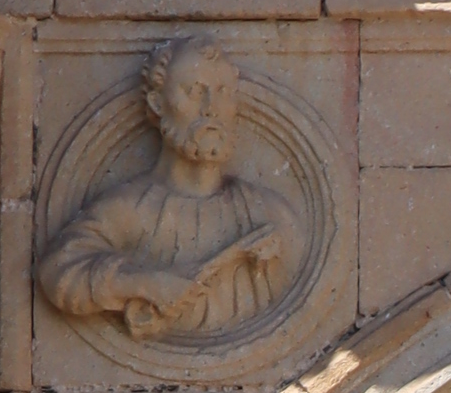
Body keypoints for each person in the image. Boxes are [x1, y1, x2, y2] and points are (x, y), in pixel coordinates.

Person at [38, 34, 300, 344]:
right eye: (194, 91)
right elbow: (59, 272)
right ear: (158, 103)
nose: (211, 108)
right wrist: (144, 284)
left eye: (222, 92)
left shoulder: (270, 213)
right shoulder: (128, 208)